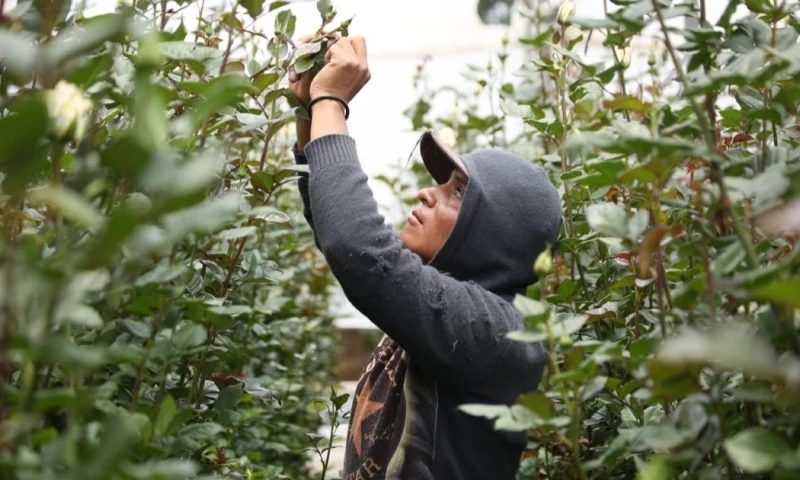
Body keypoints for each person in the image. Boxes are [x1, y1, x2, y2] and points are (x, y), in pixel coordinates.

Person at [289, 35, 561, 480]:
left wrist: (332, 100)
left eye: (456, 193)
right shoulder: (444, 309)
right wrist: (310, 111)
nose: (427, 193)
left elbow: (360, 253)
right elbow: (338, 233)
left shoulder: (502, 333)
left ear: (494, 233)